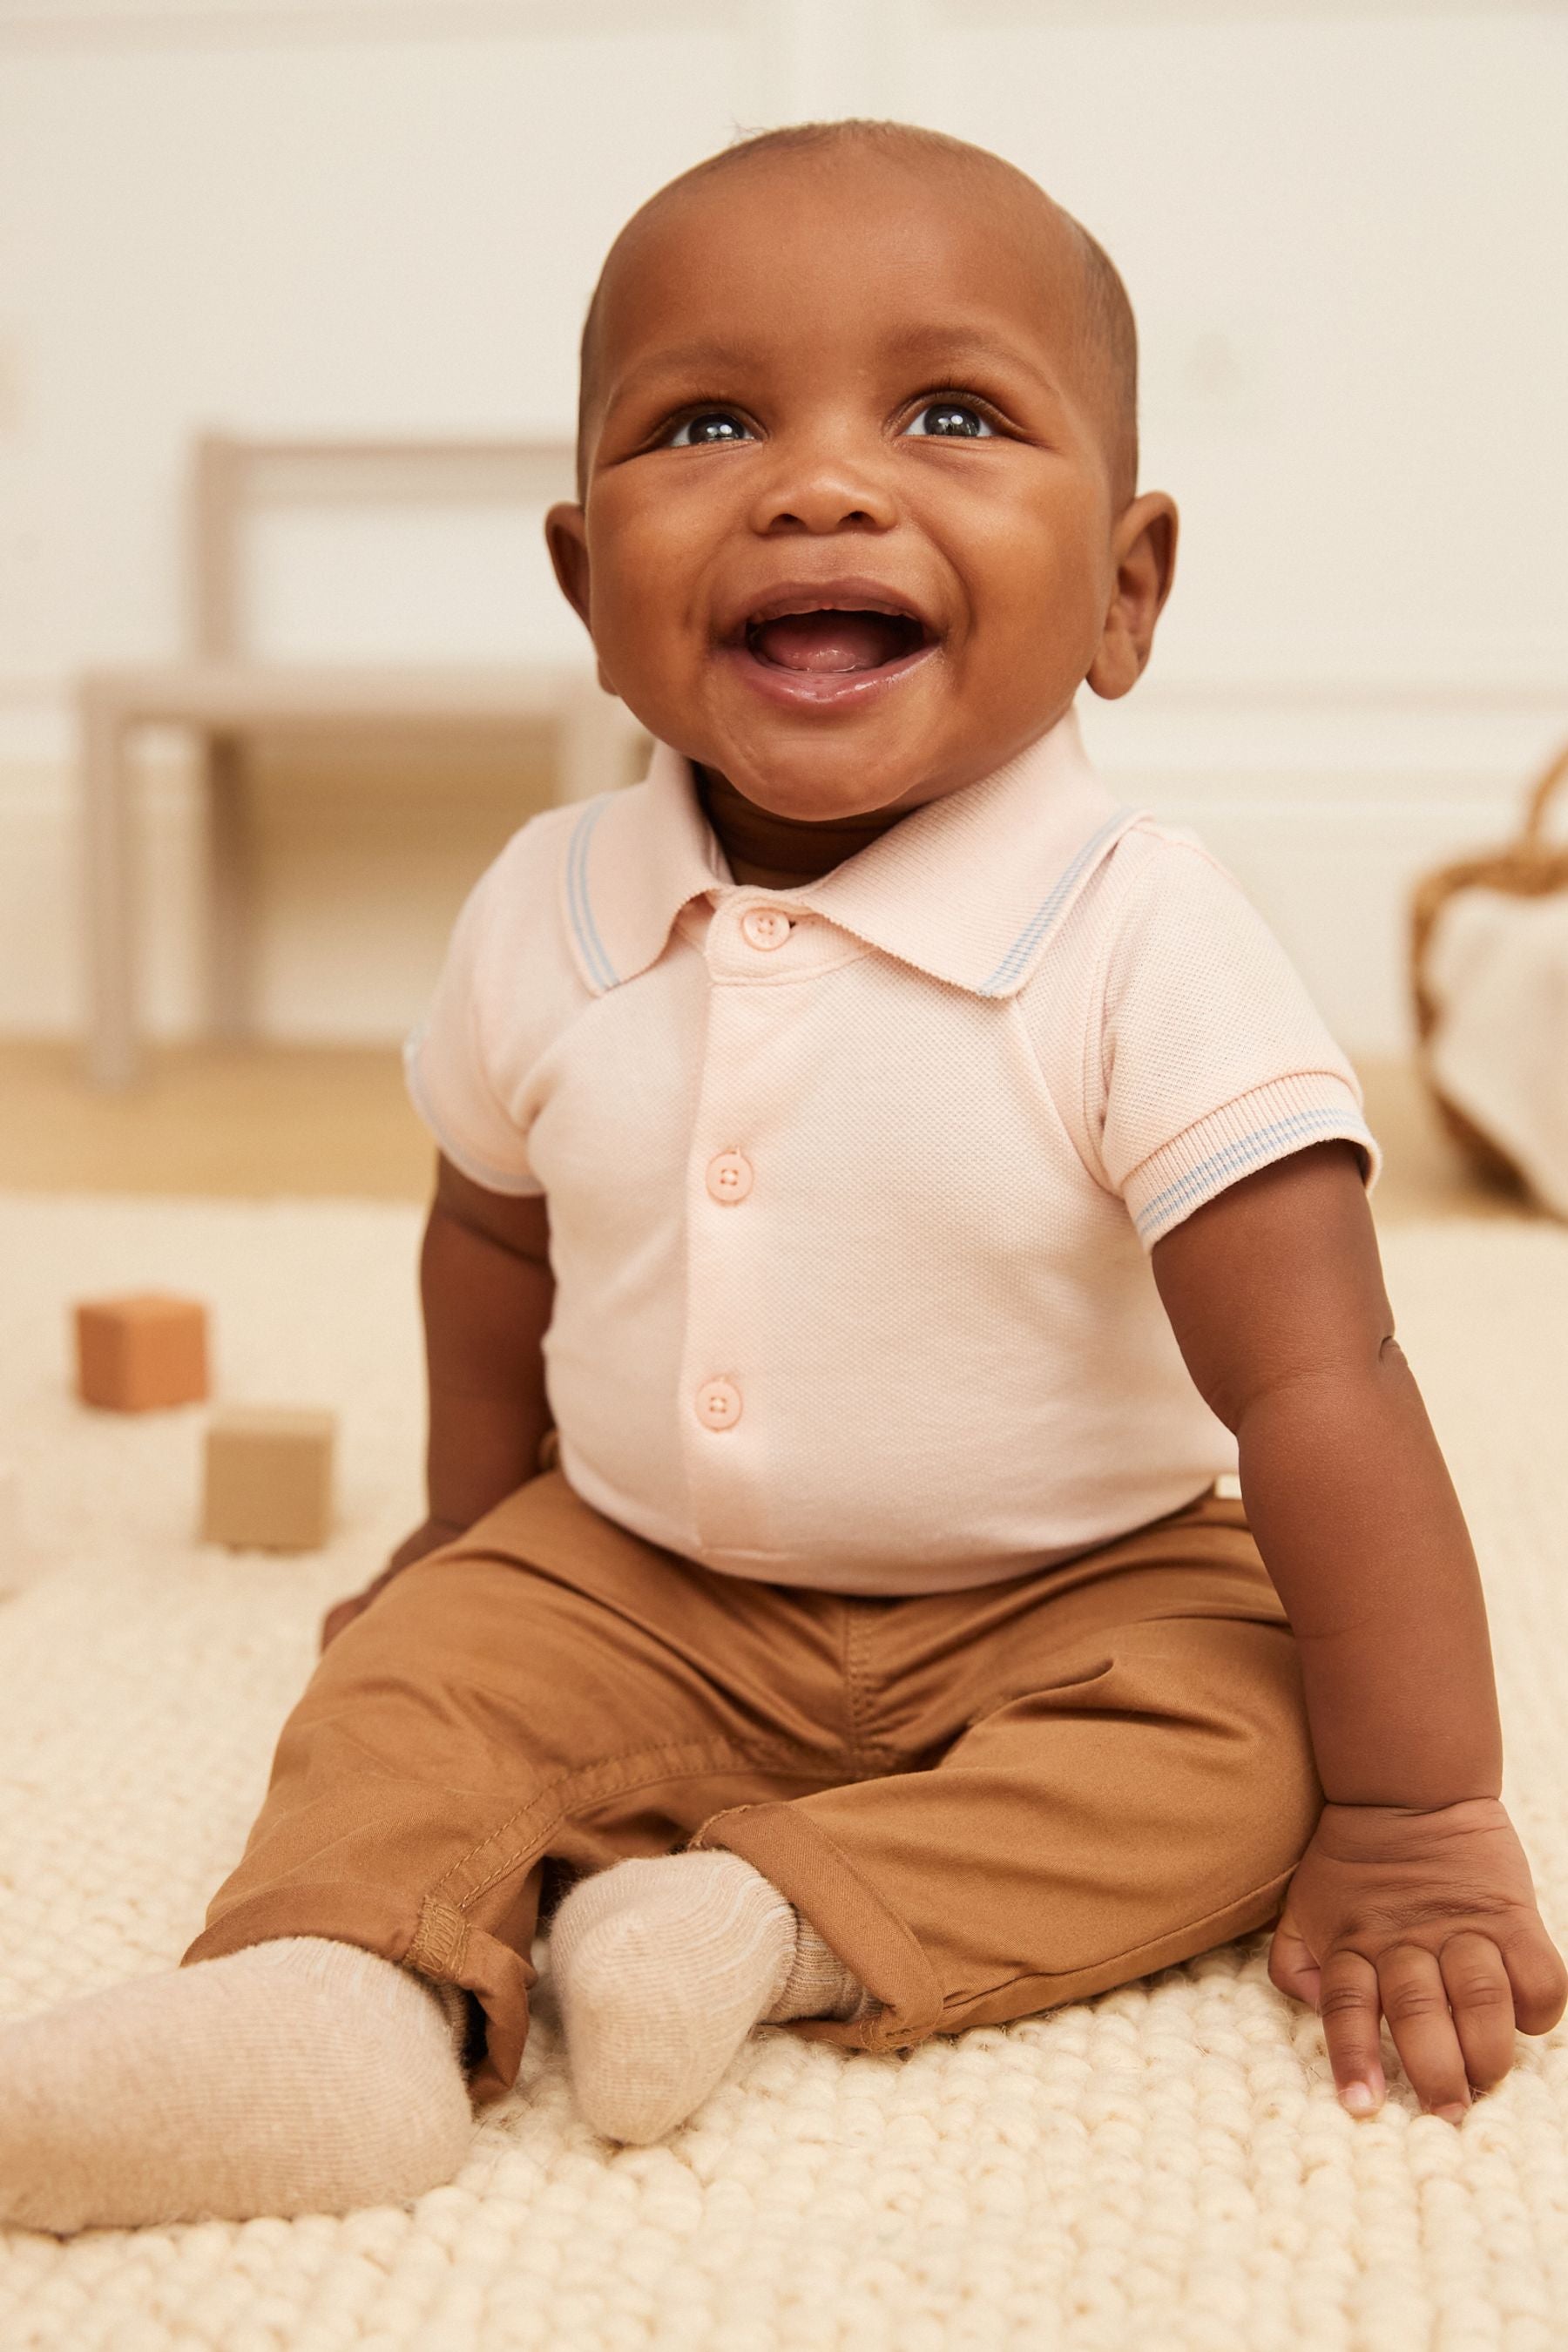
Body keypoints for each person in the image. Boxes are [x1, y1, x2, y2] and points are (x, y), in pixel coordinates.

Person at [3, 118, 1562, 2235]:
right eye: (708, 419)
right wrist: (475, 1522)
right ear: (589, 590)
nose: (818, 482)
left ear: (1124, 590)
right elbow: (488, 1231)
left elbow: (1321, 1386)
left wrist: (1418, 1814)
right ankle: (337, 2005)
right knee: (408, 1687)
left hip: (1073, 1581)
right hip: (647, 1559)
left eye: (951, 411)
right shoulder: (544, 909)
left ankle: (760, 1925)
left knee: (1249, 1742)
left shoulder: (1142, 935)